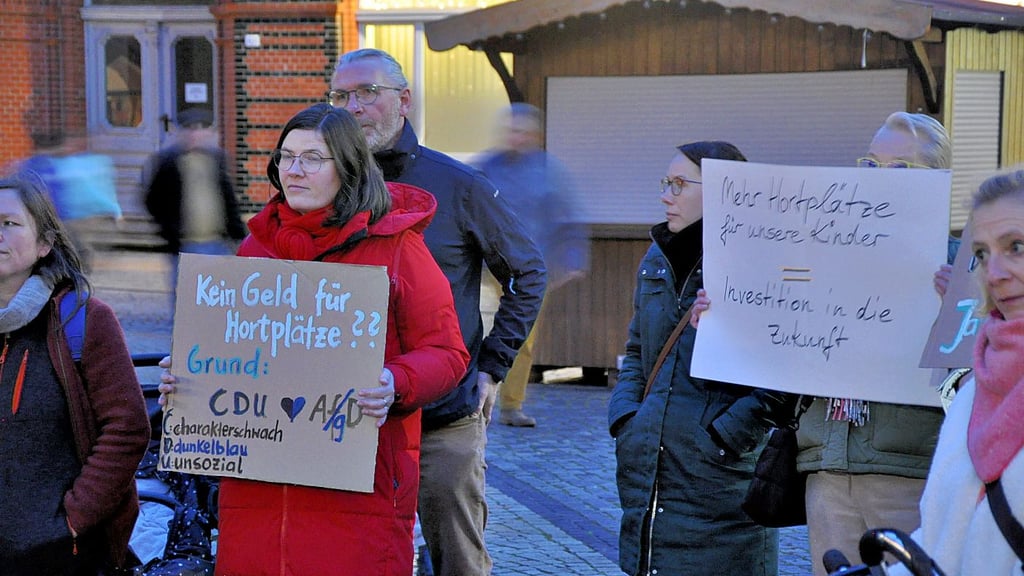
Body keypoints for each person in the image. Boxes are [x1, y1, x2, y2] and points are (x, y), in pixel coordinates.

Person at [159, 103, 469, 576]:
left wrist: (396, 381)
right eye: (286, 156)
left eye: (312, 158)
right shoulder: (256, 247)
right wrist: (188, 377)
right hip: (258, 490)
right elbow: (232, 351)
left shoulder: (397, 247)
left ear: (347, 167)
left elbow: (447, 352)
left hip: (358, 484)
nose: (294, 170)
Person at [331, 48, 546, 575]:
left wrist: (493, 366)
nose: (353, 107)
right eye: (340, 96)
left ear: (404, 100)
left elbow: (526, 272)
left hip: (441, 418)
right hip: (344, 419)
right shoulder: (324, 183)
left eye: (367, 93)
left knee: (457, 560)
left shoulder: (458, 185)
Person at [607, 141, 795, 576]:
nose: (665, 195)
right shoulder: (657, 256)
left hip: (720, 481)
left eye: (679, 184)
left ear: (725, 191)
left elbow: (785, 372)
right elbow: (637, 349)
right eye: (665, 183)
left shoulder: (763, 260)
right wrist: (627, 418)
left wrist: (726, 436)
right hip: (650, 467)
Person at [792, 112, 954, 574]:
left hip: (908, 475)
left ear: (934, 179)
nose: (878, 177)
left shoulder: (963, 264)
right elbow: (782, 337)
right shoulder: (821, 250)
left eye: (898, 167)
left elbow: (985, 376)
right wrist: (723, 321)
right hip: (828, 469)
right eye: (870, 164)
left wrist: (962, 313)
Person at [0, 173, 150, 574]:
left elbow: (127, 427)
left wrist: (72, 520)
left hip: (56, 556)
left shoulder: (83, 320)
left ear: (44, 244)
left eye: (9, 223)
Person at [886, 168, 1024, 576]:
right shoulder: (973, 391)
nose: (994, 273)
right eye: (981, 254)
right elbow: (941, 540)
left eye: (1016, 247)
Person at [474, 103, 589, 427]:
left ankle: (511, 406)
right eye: (512, 131)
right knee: (476, 329)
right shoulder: (486, 168)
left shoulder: (550, 173)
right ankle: (472, 397)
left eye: (523, 132)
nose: (516, 137)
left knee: (522, 339)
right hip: (488, 266)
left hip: (532, 271)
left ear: (535, 136)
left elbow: (568, 218)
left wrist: (573, 259)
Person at [143, 108, 246, 295]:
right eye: (190, 129)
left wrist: (238, 234)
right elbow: (152, 200)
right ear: (181, 133)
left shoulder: (217, 159)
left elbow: (229, 200)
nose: (195, 134)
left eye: (200, 129)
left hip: (218, 243)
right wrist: (168, 231)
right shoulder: (168, 163)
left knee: (221, 297)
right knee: (186, 299)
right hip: (185, 245)